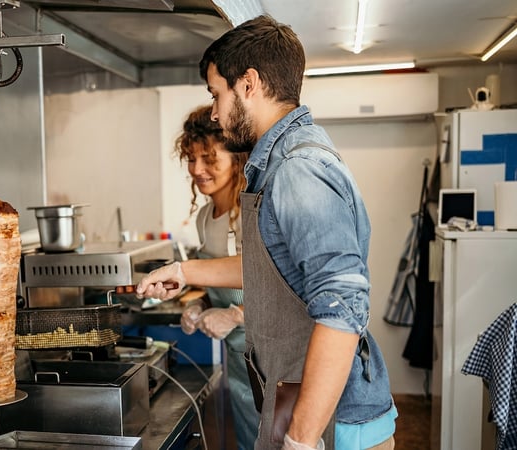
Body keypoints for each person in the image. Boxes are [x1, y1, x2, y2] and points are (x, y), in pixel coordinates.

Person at [136, 15, 397, 450]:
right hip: (303, 406)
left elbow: (342, 309)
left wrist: (300, 440)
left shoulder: (299, 170)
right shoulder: (279, 163)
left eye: (217, 94)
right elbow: (272, 269)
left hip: (334, 426)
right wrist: (184, 271)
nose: (216, 112)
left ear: (249, 84)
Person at [174, 104, 259, 449]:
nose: (198, 169)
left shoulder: (253, 211)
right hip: (237, 360)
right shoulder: (205, 218)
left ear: (235, 159)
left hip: (266, 359)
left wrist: (237, 314)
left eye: (209, 159)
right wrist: (201, 304)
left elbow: (280, 288)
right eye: (192, 159)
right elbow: (219, 283)